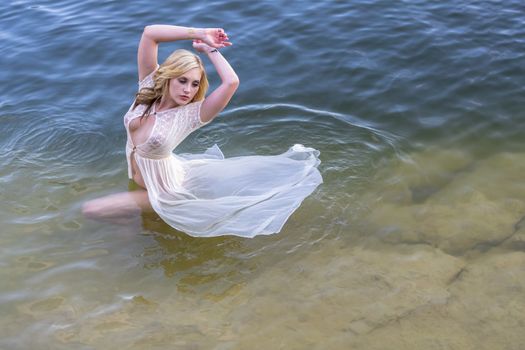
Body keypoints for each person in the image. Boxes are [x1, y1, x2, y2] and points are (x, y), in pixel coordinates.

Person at [83, 24, 323, 238]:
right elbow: (150, 33)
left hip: (165, 192)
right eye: (183, 80)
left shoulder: (191, 115)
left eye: (195, 83)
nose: (188, 90)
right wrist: (199, 33)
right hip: (141, 179)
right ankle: (142, 224)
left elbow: (231, 83)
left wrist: (210, 50)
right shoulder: (147, 84)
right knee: (125, 221)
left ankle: (142, 223)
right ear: (167, 78)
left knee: (91, 210)